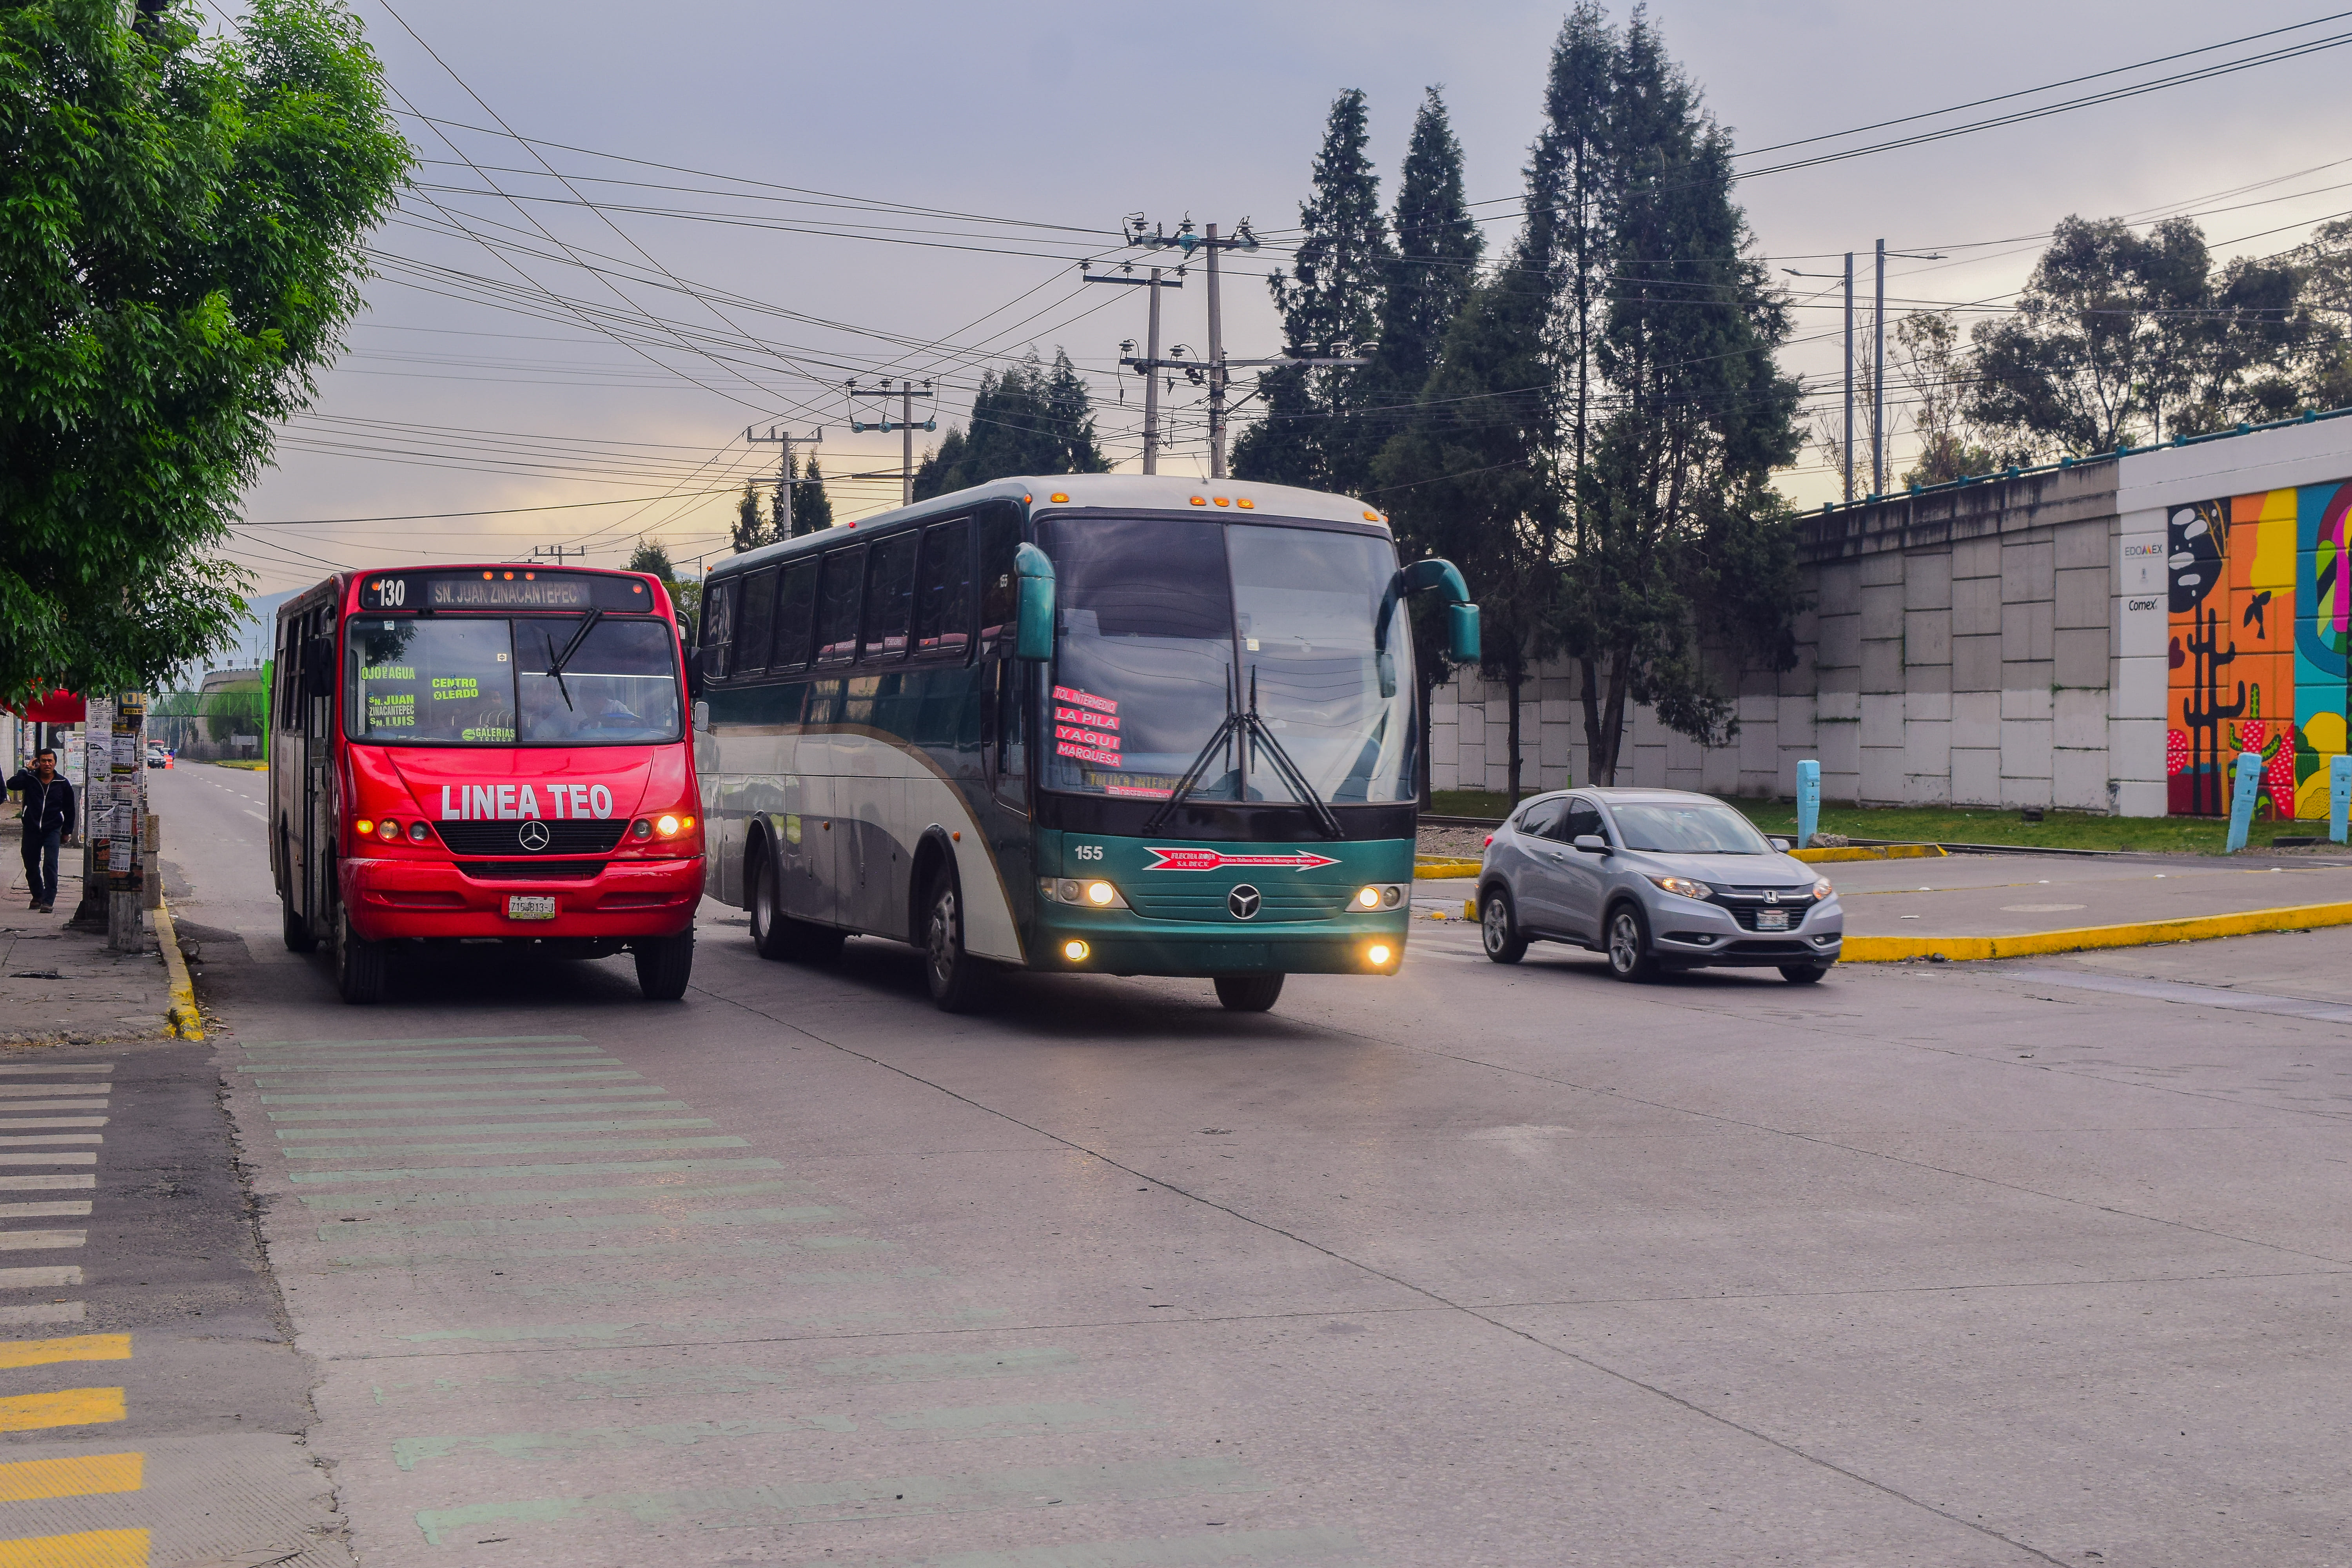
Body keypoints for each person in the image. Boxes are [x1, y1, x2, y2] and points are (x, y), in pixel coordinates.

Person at [7, 748, 76, 914]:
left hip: (52, 829)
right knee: (30, 863)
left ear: (55, 763)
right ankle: (38, 895)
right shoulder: (30, 779)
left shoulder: (62, 783)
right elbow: (11, 784)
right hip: (32, 829)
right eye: (43, 761)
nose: (47, 764)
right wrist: (26, 769)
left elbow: (70, 809)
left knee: (50, 864)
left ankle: (48, 901)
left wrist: (67, 831)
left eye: (50, 761)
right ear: (38, 763)